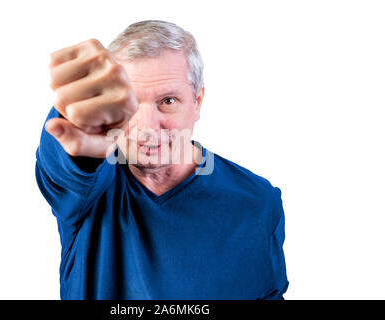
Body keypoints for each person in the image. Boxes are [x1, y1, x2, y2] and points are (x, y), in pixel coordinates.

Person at [35, 20, 289, 299]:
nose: (146, 127)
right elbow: (65, 166)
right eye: (129, 102)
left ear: (197, 101)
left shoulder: (257, 203)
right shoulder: (89, 190)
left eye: (167, 101)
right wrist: (76, 117)